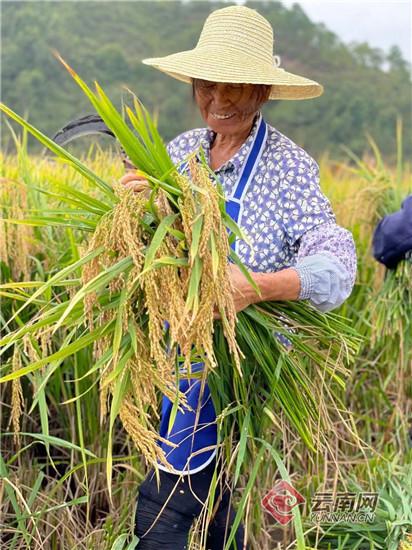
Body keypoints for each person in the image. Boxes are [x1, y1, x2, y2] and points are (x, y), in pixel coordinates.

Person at [119, 5, 357, 549]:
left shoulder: (287, 167)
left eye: (237, 88)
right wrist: (141, 212)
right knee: (218, 514)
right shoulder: (178, 152)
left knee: (163, 520)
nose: (220, 101)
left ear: (264, 92)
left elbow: (337, 262)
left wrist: (260, 286)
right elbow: (158, 247)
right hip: (168, 363)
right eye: (209, 85)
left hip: (238, 376)